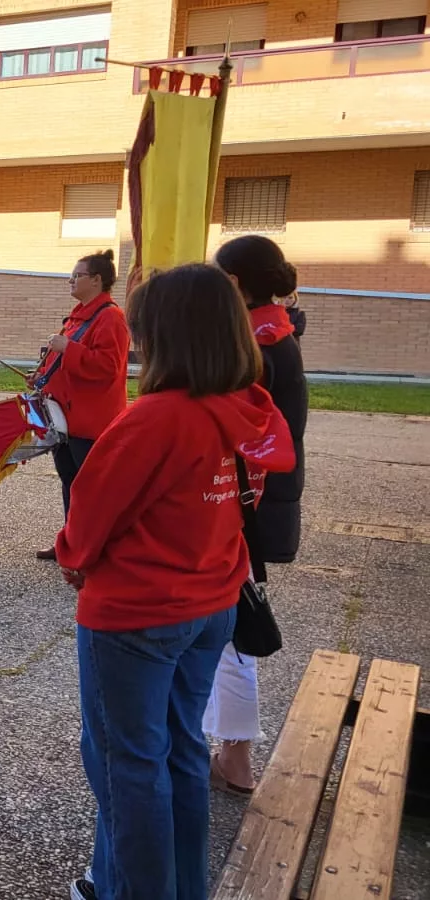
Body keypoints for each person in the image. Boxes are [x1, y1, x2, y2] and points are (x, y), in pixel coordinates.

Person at [57, 263, 294, 900]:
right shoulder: (246, 407)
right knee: (180, 752)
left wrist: (70, 556)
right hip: (209, 604)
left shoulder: (154, 419)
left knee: (127, 767)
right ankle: (170, 886)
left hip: (136, 615)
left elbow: (87, 520)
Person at [202, 235, 309, 796]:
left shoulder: (259, 345)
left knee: (234, 630)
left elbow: (224, 418)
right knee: (230, 627)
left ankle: (236, 761)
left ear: (236, 284)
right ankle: (227, 750)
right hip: (255, 500)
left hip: (245, 503)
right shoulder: (273, 332)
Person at [34, 250, 131, 559]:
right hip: (66, 418)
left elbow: (107, 367)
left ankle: (94, 550)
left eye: (77, 276)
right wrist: (40, 376)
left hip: (90, 421)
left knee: (89, 490)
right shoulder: (80, 315)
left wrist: (68, 348)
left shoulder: (110, 317)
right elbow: (64, 361)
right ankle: (73, 543)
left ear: (97, 280)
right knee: (70, 483)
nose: (71, 280)